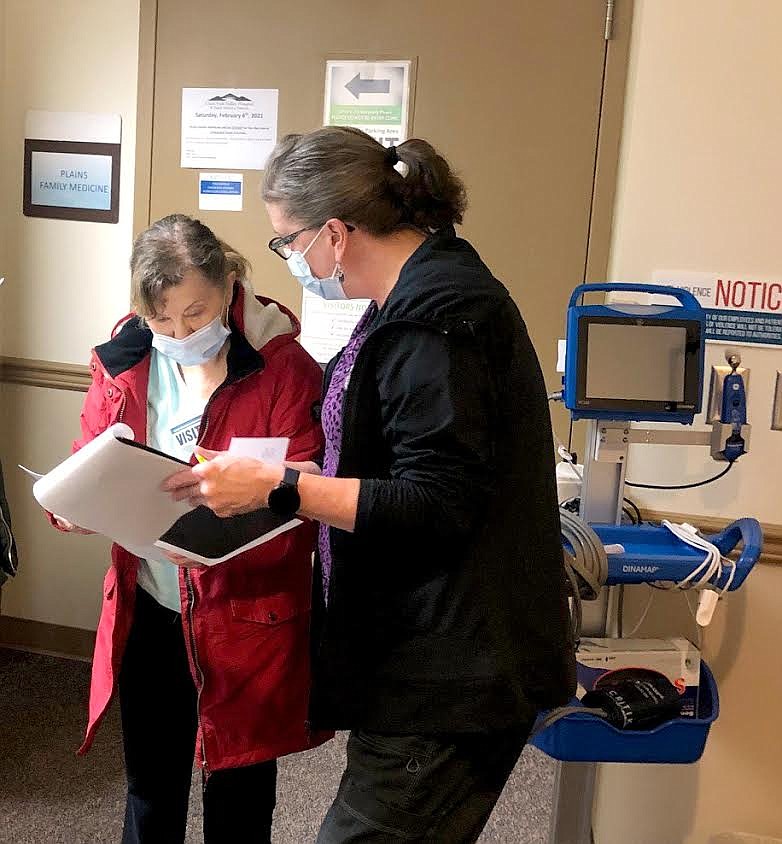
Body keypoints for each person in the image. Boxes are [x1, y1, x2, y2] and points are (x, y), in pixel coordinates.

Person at [165, 128, 576, 843]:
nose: (290, 261)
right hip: (416, 659)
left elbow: (436, 503)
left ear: (334, 233)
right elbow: (396, 462)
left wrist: (280, 487)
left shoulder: (437, 316)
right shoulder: (413, 294)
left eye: (286, 243)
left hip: (452, 673)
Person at [48, 214, 329, 844]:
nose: (178, 334)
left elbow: (309, 496)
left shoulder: (285, 369)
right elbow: (91, 453)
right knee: (151, 789)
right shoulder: (124, 359)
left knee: (239, 796)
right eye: (162, 321)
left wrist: (246, 497)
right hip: (152, 603)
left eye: (196, 315)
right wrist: (75, 504)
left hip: (248, 613)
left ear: (230, 286)